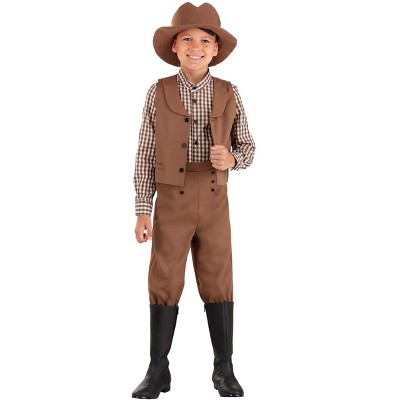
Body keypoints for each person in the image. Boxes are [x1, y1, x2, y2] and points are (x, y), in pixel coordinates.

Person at [131, 2, 255, 398]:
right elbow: (146, 153)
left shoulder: (229, 92)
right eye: (187, 39)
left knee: (218, 277)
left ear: (215, 49)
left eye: (204, 41)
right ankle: (157, 369)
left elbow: (248, 147)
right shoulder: (158, 91)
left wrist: (231, 159)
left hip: (215, 197)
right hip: (171, 199)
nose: (195, 47)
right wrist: (142, 208)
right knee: (164, 277)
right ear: (175, 47)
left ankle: (224, 368)